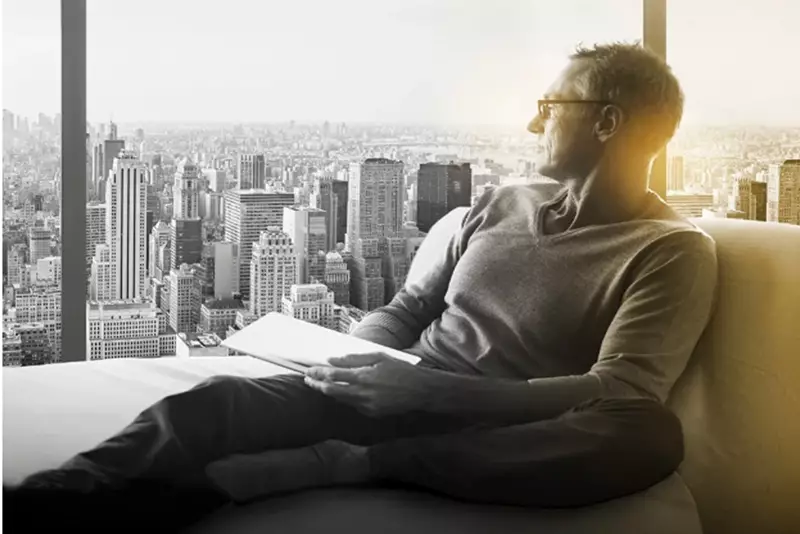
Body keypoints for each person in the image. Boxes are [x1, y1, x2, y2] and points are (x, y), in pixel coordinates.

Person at [5, 41, 718, 532]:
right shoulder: (499, 204)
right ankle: (41, 511)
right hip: (394, 391)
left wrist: (436, 394)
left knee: (648, 437)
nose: (532, 120)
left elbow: (619, 391)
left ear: (607, 121)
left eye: (549, 103)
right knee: (210, 406)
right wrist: (355, 362)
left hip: (505, 426)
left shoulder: (669, 251)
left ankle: (354, 468)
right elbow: (407, 308)